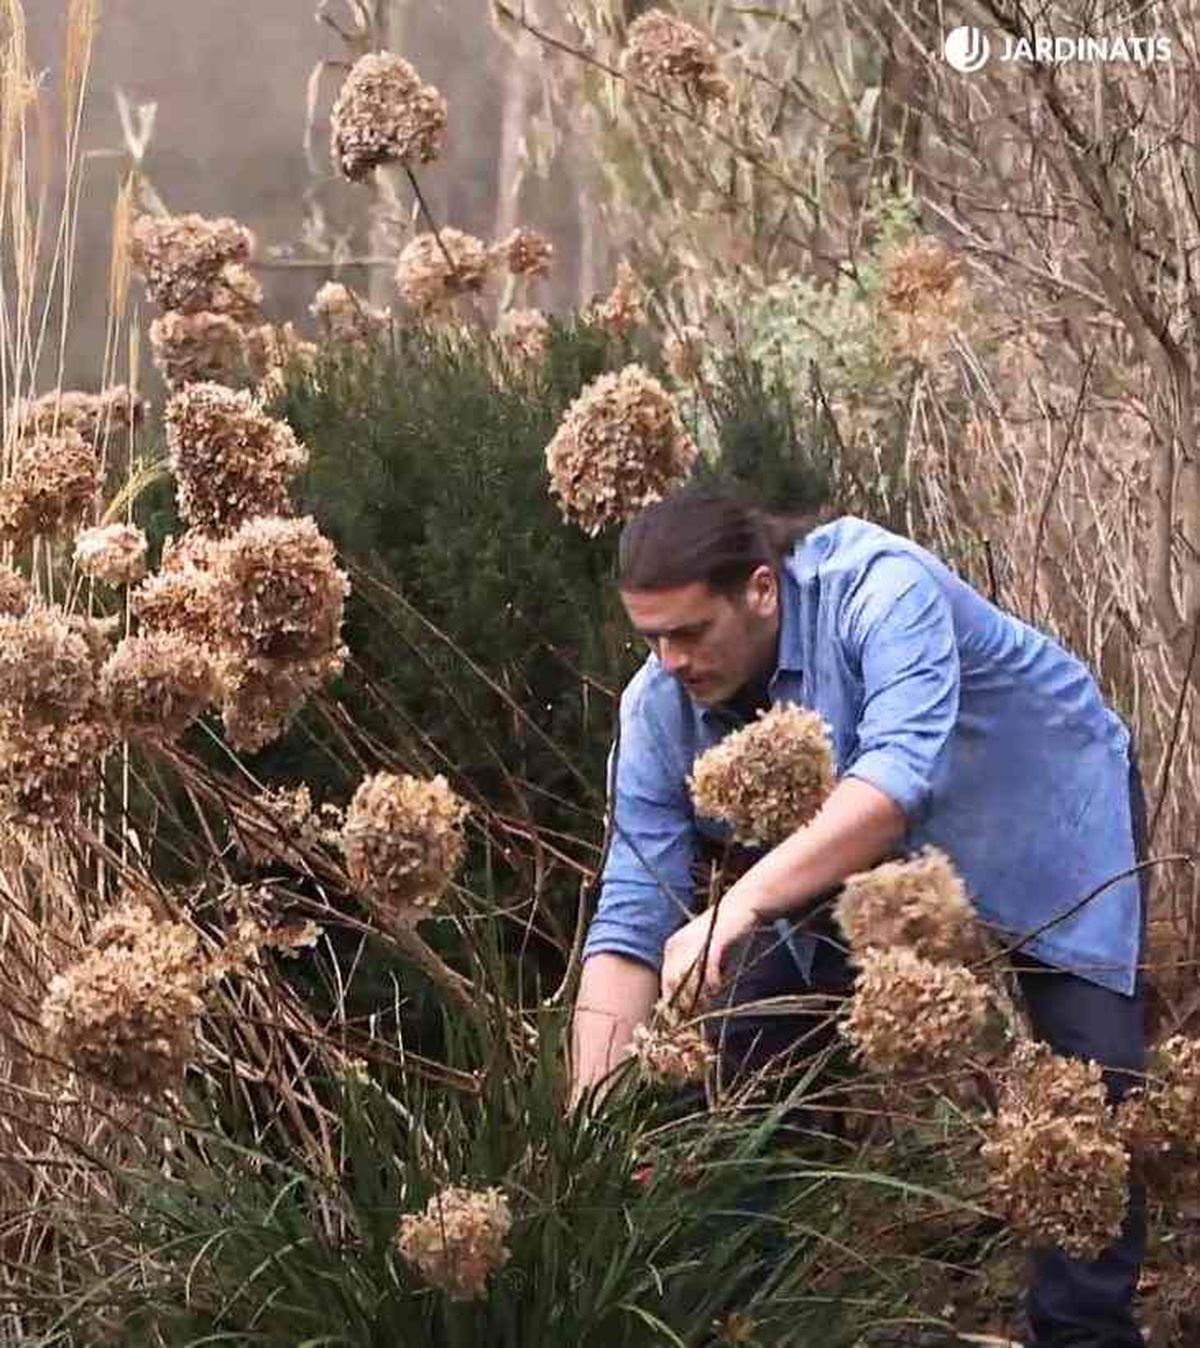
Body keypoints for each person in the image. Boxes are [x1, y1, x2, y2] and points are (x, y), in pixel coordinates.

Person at [568, 481, 1150, 1348]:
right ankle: (739, 1318)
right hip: (851, 868)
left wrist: (738, 907)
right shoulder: (658, 710)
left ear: (760, 590)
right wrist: (590, 1121)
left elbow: (892, 785)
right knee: (748, 1052)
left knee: (1091, 1085)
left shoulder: (877, 586)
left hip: (1039, 811)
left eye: (690, 632)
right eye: (651, 638)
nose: (671, 661)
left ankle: (1080, 1334)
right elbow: (630, 915)